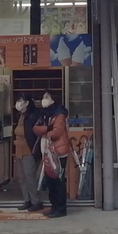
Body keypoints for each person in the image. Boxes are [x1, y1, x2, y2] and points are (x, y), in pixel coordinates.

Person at [32, 89, 69, 217]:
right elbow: (35, 129)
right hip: (47, 152)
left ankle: (61, 209)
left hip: (58, 153)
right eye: (44, 97)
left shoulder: (59, 115)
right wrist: (48, 128)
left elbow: (56, 133)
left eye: (46, 97)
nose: (44, 100)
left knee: (58, 181)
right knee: (50, 181)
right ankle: (54, 207)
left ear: (53, 99)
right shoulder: (44, 114)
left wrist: (45, 131)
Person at [12, 95, 44, 212]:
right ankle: (27, 200)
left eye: (20, 101)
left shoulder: (32, 116)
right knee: (22, 177)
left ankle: (36, 201)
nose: (18, 103)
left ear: (26, 103)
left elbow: (34, 134)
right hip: (19, 151)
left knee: (30, 177)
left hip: (29, 150)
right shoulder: (20, 115)